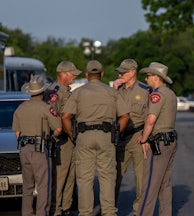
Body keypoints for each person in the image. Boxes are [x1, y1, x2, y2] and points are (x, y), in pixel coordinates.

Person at [61, 60, 130, 216]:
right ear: (102, 74)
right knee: (107, 176)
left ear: (86, 75)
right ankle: (108, 212)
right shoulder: (112, 92)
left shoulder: (78, 92)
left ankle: (85, 212)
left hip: (84, 136)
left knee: (84, 178)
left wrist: (72, 135)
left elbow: (65, 116)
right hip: (106, 135)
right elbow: (125, 115)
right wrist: (117, 131)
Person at [12, 75, 62, 216]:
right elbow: (58, 129)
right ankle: (42, 213)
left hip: (24, 149)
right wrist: (50, 138)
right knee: (43, 185)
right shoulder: (46, 108)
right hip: (40, 148)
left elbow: (17, 133)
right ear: (42, 92)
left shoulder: (20, 108)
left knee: (27, 186)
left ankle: (27, 213)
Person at [137, 62, 178, 216]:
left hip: (158, 143)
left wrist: (143, 139)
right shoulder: (171, 94)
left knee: (149, 186)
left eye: (148, 76)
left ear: (155, 77)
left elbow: (151, 120)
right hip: (170, 140)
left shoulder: (157, 95)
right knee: (164, 185)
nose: (146, 79)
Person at [113, 59, 150, 215]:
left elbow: (152, 115)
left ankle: (138, 211)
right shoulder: (117, 90)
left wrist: (145, 136)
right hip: (120, 137)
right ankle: (109, 209)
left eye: (124, 72)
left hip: (137, 136)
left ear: (133, 72)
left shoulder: (145, 90)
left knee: (140, 178)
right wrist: (113, 90)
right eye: (120, 72)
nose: (120, 74)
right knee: (114, 176)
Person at [46, 61, 81, 216]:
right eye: (72, 73)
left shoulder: (67, 92)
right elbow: (52, 117)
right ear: (63, 74)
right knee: (59, 177)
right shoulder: (54, 93)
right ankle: (56, 209)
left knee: (70, 176)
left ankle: (66, 208)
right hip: (60, 140)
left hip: (70, 139)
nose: (74, 76)